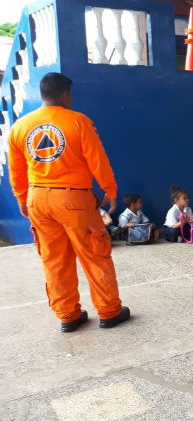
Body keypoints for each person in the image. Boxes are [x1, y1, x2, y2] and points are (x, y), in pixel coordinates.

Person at [7, 72, 129, 332]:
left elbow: (16, 171)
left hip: (37, 198)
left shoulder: (20, 126)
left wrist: (21, 199)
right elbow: (98, 159)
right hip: (73, 199)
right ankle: (109, 311)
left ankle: (68, 316)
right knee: (94, 255)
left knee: (54, 260)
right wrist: (110, 189)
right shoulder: (78, 122)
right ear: (65, 94)